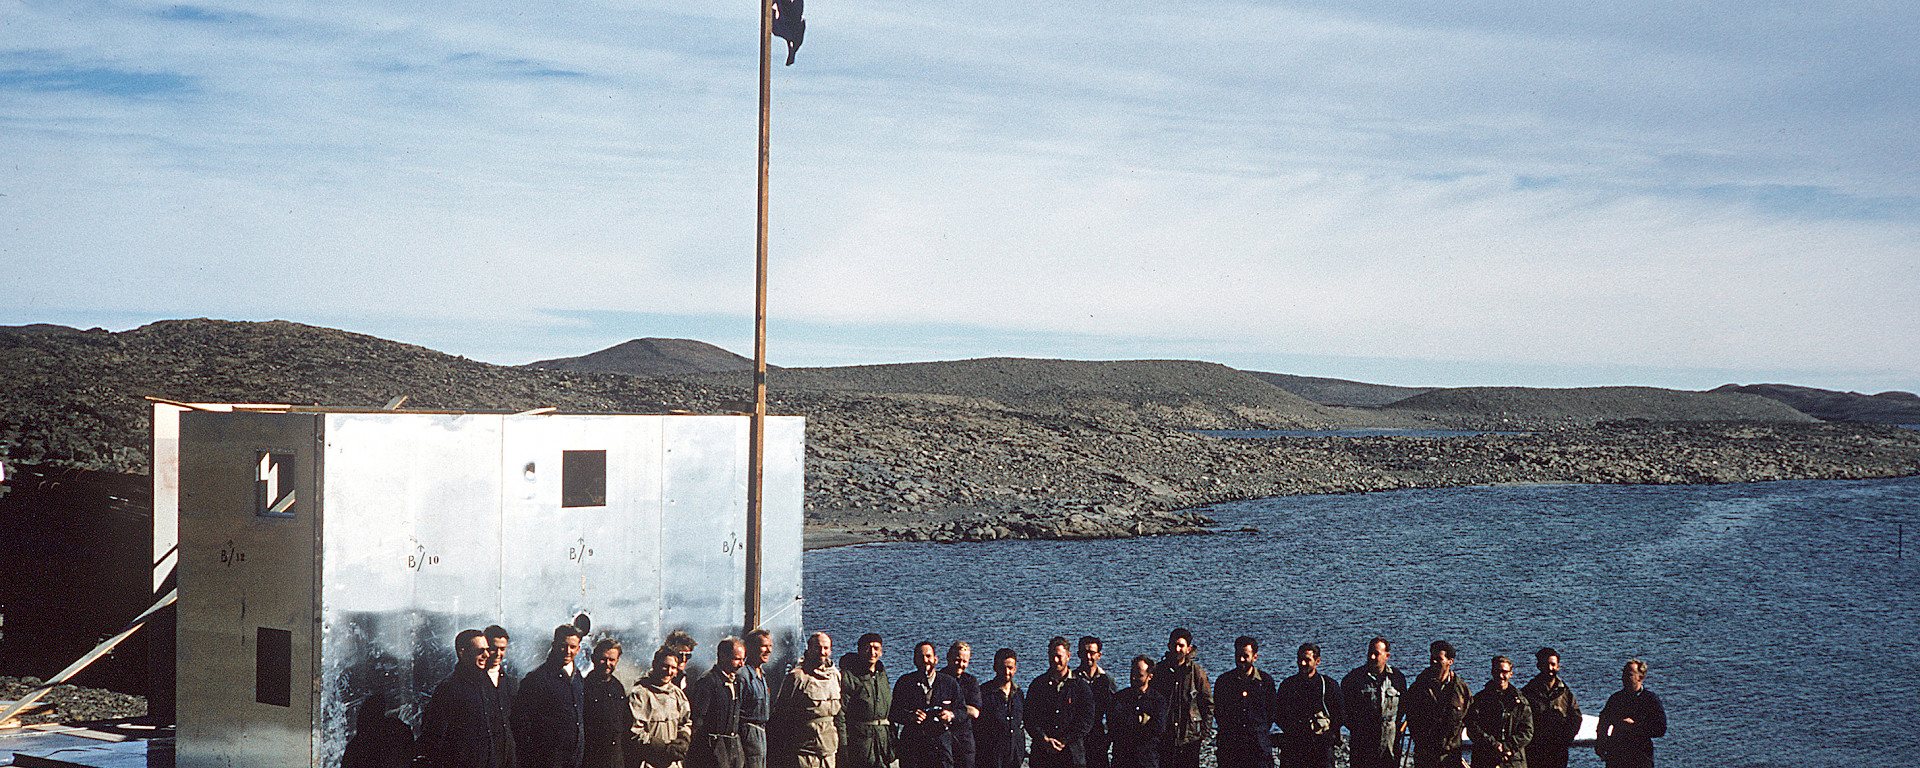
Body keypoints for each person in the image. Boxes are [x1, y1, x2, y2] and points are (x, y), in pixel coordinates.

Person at [419, 628, 518, 768]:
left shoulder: (488, 684)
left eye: (487, 650)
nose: (487, 655)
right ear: (462, 653)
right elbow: (434, 737)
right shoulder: (449, 689)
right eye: (480, 651)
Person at [514, 625, 588, 768]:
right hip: (547, 760)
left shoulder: (578, 678)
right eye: (563, 646)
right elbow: (521, 724)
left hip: (574, 759)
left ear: (578, 649)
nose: (568, 651)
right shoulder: (536, 679)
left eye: (572, 647)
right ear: (554, 645)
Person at [771, 632, 841, 768]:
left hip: (829, 750)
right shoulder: (797, 677)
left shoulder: (835, 675)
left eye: (826, 648)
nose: (822, 652)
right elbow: (781, 714)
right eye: (817, 647)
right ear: (808, 648)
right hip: (805, 752)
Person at [892, 640, 965, 768]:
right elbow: (893, 713)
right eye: (921, 657)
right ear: (914, 660)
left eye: (928, 656)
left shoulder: (949, 683)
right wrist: (909, 716)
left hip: (941, 746)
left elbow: (962, 711)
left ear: (936, 659)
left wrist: (951, 715)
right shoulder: (905, 683)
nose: (925, 660)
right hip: (912, 747)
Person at [1024, 636, 1094, 768]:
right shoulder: (1038, 685)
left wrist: (1064, 740)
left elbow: (1086, 720)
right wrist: (1044, 739)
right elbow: (1029, 717)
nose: (1055, 660)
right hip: (1042, 756)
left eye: (1059, 656)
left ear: (1068, 656)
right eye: (1052, 656)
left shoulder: (1080, 687)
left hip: (1072, 756)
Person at [1340, 637, 1407, 768]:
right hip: (1363, 745)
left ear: (1387, 656)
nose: (1371, 657)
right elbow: (1343, 710)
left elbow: (1404, 707)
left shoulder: (1397, 678)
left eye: (1376, 654)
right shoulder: (1354, 679)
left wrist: (1395, 727)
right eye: (1370, 653)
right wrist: (1357, 729)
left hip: (1390, 744)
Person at [1149, 629, 1211, 768]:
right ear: (1169, 646)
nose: (1177, 649)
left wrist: (1203, 733)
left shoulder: (1197, 673)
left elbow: (1208, 705)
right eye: (1174, 645)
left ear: (1188, 649)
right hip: (1165, 738)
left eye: (1181, 646)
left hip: (1190, 740)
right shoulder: (1158, 672)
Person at [1274, 643, 1342, 768]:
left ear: (1317, 661)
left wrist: (1327, 734)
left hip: (1321, 749)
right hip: (1294, 747)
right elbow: (1278, 714)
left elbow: (1340, 714)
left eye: (1307, 660)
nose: (1303, 664)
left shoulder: (1328, 685)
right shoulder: (1288, 686)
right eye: (1300, 660)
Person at [1405, 641, 1471, 768]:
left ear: (1450, 661)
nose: (1433, 662)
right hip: (1426, 757)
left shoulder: (1461, 690)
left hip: (1451, 757)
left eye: (1438, 659)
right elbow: (1411, 719)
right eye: (1432, 658)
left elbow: (1470, 720)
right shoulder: (1418, 688)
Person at [1212, 636, 1275, 768]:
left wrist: (1258, 731)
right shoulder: (1224, 682)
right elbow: (1218, 712)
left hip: (1259, 748)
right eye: (1238, 655)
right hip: (1231, 747)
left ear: (1254, 657)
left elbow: (1271, 712)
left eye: (1245, 656)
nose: (1241, 660)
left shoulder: (1265, 682)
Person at [629, 646, 693, 768]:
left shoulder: (677, 694)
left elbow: (686, 723)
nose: (669, 672)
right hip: (648, 762)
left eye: (673, 668)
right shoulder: (640, 693)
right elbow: (635, 732)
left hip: (672, 764)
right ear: (654, 664)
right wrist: (662, 748)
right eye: (665, 666)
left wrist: (683, 739)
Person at [838, 633, 895, 768]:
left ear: (881, 652)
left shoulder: (881, 675)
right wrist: (843, 746)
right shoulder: (849, 676)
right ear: (859, 650)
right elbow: (841, 714)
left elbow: (889, 710)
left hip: (882, 744)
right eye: (867, 648)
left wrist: (892, 739)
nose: (872, 652)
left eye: (876, 648)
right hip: (860, 745)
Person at [1595, 660, 1665, 768]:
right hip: (1617, 757)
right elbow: (1603, 723)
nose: (1624, 678)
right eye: (1623, 674)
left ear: (1640, 677)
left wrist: (1635, 726)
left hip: (1640, 757)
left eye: (1629, 675)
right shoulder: (1616, 699)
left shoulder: (1650, 700)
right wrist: (1601, 744)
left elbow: (1660, 729)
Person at [690, 637, 748, 768]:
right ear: (723, 656)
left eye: (743, 659)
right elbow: (698, 720)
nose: (742, 664)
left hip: (733, 750)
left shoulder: (737, 682)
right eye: (737, 659)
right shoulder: (708, 682)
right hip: (712, 751)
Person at [1465, 656, 1531, 768]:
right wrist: (1493, 745)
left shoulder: (1520, 702)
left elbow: (1527, 731)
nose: (1501, 676)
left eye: (1504, 672)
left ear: (1511, 674)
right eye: (1497, 672)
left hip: (1513, 761)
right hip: (1485, 760)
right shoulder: (1480, 699)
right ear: (1492, 672)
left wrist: (1507, 747)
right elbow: (1472, 727)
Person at [1519, 649, 1579, 768]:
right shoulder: (1528, 692)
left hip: (1558, 751)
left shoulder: (1565, 693)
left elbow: (1576, 718)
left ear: (1558, 666)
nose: (1550, 668)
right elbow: (1520, 721)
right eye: (1546, 664)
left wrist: (1565, 740)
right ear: (1539, 666)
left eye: (1553, 664)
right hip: (1535, 751)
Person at [1108, 656, 1166, 768]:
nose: (1133, 678)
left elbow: (1158, 728)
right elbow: (1114, 725)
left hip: (1147, 759)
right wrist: (1141, 720)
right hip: (1122, 759)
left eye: (1139, 675)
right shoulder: (1119, 698)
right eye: (1132, 673)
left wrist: (1130, 722)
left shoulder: (1158, 700)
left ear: (1150, 676)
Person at [584, 639, 632, 768]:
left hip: (614, 758)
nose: (607, 664)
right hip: (591, 757)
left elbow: (625, 722)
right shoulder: (584, 686)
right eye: (603, 659)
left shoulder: (618, 688)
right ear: (593, 658)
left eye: (612, 660)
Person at [975, 649, 1025, 768]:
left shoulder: (1018, 693)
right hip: (990, 755)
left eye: (1010, 668)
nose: (1007, 672)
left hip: (1014, 755)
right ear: (995, 667)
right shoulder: (984, 692)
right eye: (1003, 668)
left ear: (1015, 669)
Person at [1074, 637, 1117, 768]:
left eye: (1092, 653)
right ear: (1078, 654)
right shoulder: (1072, 680)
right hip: (1076, 739)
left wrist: (1108, 739)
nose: (1088, 656)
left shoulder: (1106, 681)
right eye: (1085, 652)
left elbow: (1114, 713)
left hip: (1098, 739)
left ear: (1099, 655)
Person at [941, 642, 984, 768]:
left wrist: (951, 712)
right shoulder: (939, 678)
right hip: (942, 737)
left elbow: (975, 712)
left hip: (964, 740)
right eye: (957, 660)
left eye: (964, 661)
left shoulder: (970, 681)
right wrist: (964, 708)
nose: (961, 665)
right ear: (948, 657)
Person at [742, 630, 775, 768]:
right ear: (750, 648)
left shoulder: (762, 675)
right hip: (747, 734)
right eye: (764, 646)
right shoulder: (743, 676)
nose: (768, 650)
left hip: (761, 734)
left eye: (770, 646)